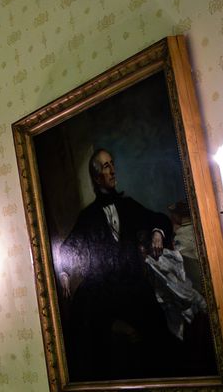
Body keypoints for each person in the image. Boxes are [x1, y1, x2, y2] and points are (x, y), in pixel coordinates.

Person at [55, 147, 208, 380]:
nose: (113, 170)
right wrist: (64, 272)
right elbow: (68, 248)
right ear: (97, 177)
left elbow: (158, 218)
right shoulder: (88, 216)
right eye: (106, 166)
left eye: (112, 164)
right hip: (102, 286)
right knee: (82, 328)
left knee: (157, 331)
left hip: (131, 282)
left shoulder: (128, 205)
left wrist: (157, 232)